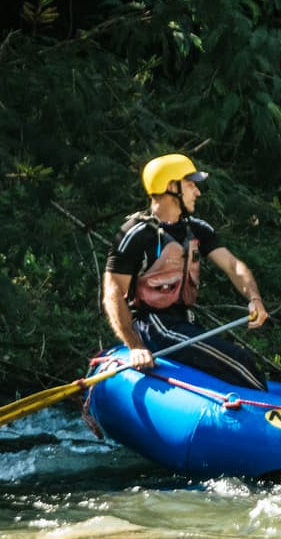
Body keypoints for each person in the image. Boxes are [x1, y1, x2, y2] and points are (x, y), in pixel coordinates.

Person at [102, 153, 268, 389]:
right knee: (241, 362)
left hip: (186, 324)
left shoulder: (197, 229)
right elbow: (112, 292)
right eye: (190, 185)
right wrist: (135, 345)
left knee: (234, 364)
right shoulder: (135, 234)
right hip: (154, 325)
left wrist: (255, 298)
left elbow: (234, 266)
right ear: (171, 187)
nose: (197, 192)